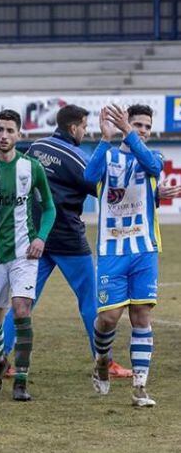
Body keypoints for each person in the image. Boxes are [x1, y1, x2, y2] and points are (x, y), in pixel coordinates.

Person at [0, 105, 132, 380]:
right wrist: (107, 144)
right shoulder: (76, 157)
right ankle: (104, 361)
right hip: (68, 238)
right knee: (91, 301)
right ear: (73, 128)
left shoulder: (36, 147)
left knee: (23, 301)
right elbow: (99, 184)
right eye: (84, 126)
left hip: (36, 237)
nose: (86, 131)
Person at [0, 109, 56, 402]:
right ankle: (0, 363)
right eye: (0, 129)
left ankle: (21, 381)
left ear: (19, 135)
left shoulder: (32, 168)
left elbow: (50, 208)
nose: (4, 136)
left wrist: (41, 237)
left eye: (10, 131)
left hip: (24, 254)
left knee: (21, 309)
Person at [86, 104, 165, 407]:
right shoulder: (107, 155)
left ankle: (140, 387)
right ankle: (101, 360)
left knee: (142, 316)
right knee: (107, 319)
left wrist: (129, 134)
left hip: (143, 249)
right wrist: (106, 138)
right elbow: (89, 175)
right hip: (111, 250)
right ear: (125, 124)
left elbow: (155, 169)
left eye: (146, 126)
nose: (142, 130)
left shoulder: (152, 158)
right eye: (137, 124)